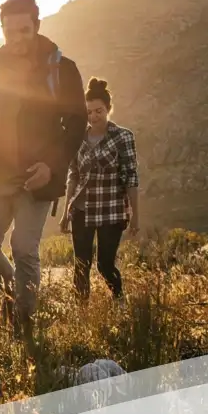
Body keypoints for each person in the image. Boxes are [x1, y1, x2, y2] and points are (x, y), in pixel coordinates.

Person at [0, 0, 87, 339]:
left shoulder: (61, 69)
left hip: (37, 175)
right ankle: (15, 293)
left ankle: (24, 325)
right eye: (9, 31)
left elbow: (76, 124)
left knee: (24, 248)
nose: (16, 39)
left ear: (36, 26)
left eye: (23, 30)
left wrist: (52, 166)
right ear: (1, 30)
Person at [60, 77, 139, 301]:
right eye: (89, 112)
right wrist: (66, 212)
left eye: (99, 111)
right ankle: (81, 316)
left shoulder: (123, 137)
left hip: (111, 210)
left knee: (105, 265)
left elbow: (131, 178)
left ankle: (120, 301)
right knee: (81, 266)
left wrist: (135, 216)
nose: (94, 117)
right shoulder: (78, 138)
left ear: (108, 109)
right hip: (82, 210)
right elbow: (73, 175)